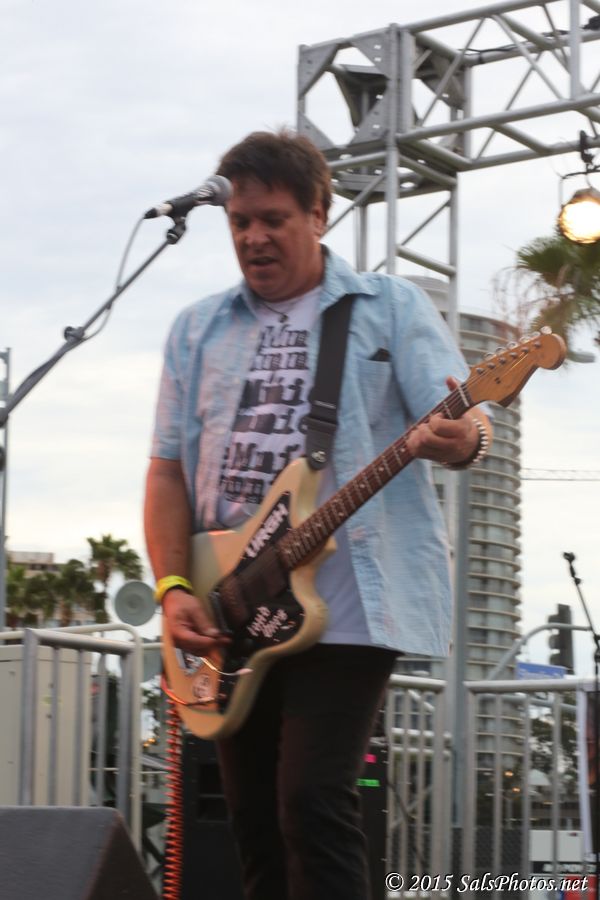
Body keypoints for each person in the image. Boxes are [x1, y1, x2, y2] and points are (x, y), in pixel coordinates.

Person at [144, 129, 492, 900]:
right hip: (230, 602)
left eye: (273, 219)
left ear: (318, 214)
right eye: (240, 222)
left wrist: (465, 436)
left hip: (351, 603)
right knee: (252, 822)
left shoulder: (389, 307)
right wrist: (173, 588)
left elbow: (467, 420)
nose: (253, 237)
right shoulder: (196, 329)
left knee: (312, 800)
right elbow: (166, 471)